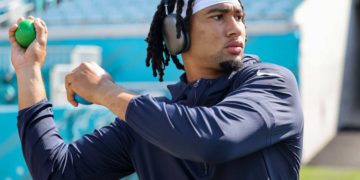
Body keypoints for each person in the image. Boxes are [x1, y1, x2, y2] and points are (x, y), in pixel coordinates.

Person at [10, 0, 303, 179]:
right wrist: (28, 71)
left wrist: (108, 93)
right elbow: (57, 173)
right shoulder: (147, 122)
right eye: (218, 16)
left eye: (239, 16)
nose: (235, 28)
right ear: (177, 34)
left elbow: (213, 139)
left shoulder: (272, 83)